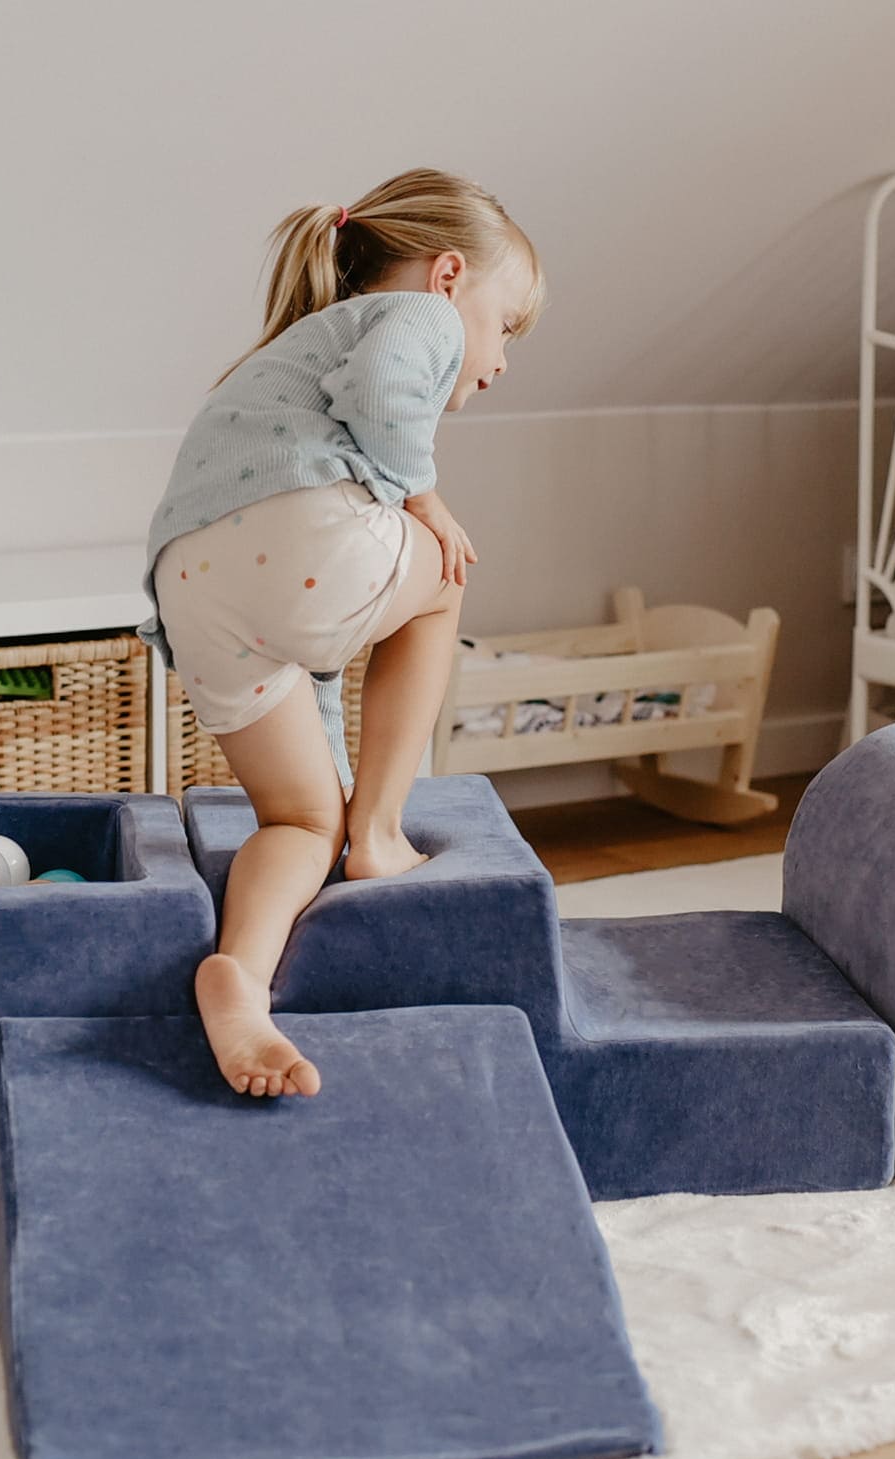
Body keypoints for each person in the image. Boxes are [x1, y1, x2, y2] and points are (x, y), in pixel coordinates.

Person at [138, 166, 547, 1100]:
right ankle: (385, 828)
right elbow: (388, 391)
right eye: (507, 323)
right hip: (294, 532)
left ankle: (240, 979)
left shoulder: (291, 352)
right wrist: (425, 502)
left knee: (298, 817)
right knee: (444, 584)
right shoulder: (417, 315)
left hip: (194, 586)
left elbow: (308, 642)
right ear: (450, 276)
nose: (502, 355)